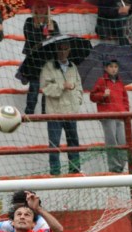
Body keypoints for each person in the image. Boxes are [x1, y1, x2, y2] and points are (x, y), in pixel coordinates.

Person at [40, 41, 83, 176]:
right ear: (56, 50)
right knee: (54, 143)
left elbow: (79, 86)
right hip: (55, 112)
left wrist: (77, 100)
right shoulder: (48, 67)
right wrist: (61, 86)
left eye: (66, 49)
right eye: (60, 49)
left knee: (73, 141)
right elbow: (45, 88)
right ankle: (55, 171)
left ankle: (75, 169)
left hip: (71, 111)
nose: (63, 52)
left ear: (69, 50)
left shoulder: (73, 67)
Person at [90, 59, 130, 173]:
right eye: (111, 66)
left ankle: (121, 166)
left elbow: (125, 99)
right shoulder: (101, 81)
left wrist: (126, 112)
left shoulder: (120, 83)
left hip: (120, 116)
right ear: (106, 68)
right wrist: (103, 95)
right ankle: (114, 167)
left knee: (123, 142)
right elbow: (92, 96)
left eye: (116, 67)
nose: (113, 69)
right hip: (107, 116)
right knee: (111, 141)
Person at [21, 1, 60, 115]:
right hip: (34, 61)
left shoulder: (53, 23)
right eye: (39, 6)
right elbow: (30, 38)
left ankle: (45, 112)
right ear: (35, 9)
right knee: (34, 87)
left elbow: (57, 41)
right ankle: (29, 113)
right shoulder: (29, 22)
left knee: (48, 89)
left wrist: (49, 36)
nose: (42, 9)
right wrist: (45, 36)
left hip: (48, 60)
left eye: (44, 6)